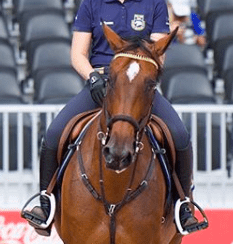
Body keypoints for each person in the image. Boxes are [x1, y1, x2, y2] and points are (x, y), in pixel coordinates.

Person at [22, 0, 201, 236]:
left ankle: (184, 205)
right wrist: (93, 78)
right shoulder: (92, 3)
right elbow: (78, 53)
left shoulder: (154, 3)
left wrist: (136, 77)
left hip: (137, 84)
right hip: (100, 82)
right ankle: (45, 203)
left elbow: (159, 52)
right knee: (54, 134)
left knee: (179, 135)